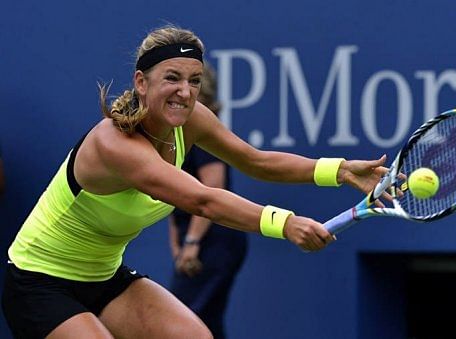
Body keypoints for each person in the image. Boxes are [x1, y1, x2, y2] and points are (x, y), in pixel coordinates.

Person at [1, 24, 389, 339]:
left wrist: (339, 170)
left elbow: (257, 162)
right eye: (172, 78)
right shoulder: (114, 144)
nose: (184, 93)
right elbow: (202, 200)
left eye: (194, 80)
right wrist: (285, 223)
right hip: (40, 284)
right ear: (141, 82)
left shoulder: (192, 119)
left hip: (104, 278)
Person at [168, 63, 247, 339]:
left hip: (214, 242)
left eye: (192, 84)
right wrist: (178, 241)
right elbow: (170, 190)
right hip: (197, 241)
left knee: (183, 323)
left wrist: (191, 242)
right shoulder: (177, 131)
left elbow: (211, 189)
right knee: (205, 324)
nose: (181, 93)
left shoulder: (202, 131)